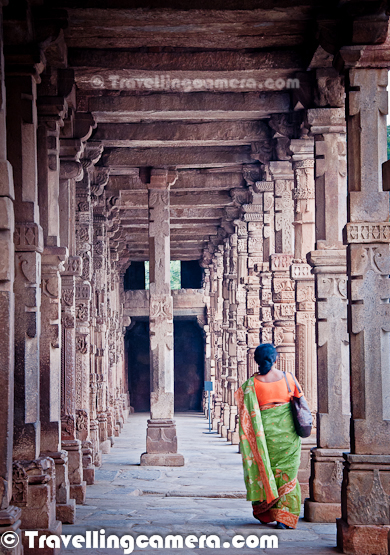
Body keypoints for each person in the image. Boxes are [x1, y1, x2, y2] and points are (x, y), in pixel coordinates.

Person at [234, 343, 304, 529]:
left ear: (256, 361)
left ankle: (269, 511)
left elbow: (244, 408)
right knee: (288, 474)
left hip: (264, 436)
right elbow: (300, 400)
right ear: (276, 359)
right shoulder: (289, 378)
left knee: (268, 470)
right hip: (288, 436)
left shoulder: (251, 385)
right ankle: (285, 517)